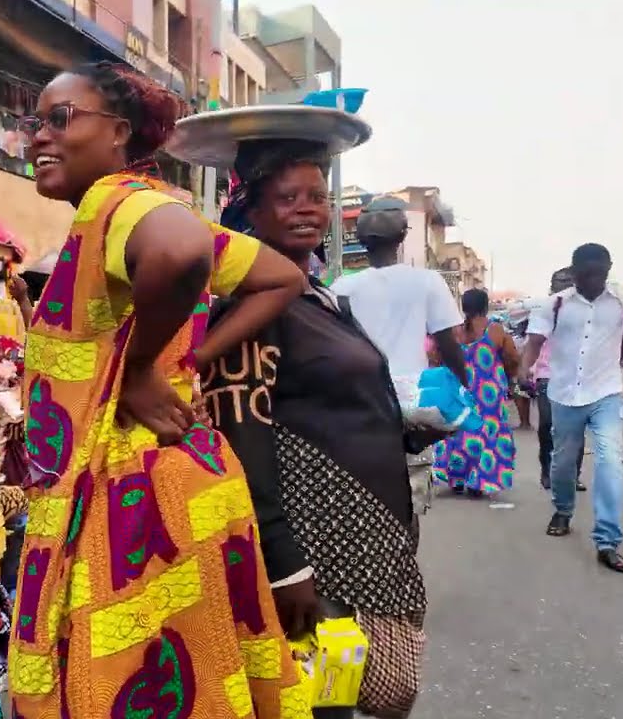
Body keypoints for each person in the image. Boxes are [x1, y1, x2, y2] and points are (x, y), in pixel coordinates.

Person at [9, 61, 308, 718]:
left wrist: (143, 370)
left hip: (131, 497)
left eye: (61, 119)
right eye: (37, 122)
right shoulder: (132, 210)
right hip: (183, 477)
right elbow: (281, 278)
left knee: (120, 690)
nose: (39, 137)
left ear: (118, 133)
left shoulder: (117, 204)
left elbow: (178, 253)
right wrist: (187, 360)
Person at [203, 138, 430, 719]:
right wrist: (285, 567)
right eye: (287, 198)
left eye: (317, 197)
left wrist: (402, 429)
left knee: (351, 693)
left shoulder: (317, 295)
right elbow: (241, 440)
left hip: (364, 533)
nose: (307, 208)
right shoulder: (252, 307)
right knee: (321, 698)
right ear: (250, 211)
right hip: (317, 548)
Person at [521, 243, 623, 573]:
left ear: (609, 269)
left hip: (606, 392)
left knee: (610, 459)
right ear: (574, 273)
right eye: (587, 275)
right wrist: (524, 370)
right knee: (562, 462)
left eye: (600, 274)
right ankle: (563, 509)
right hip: (564, 394)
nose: (594, 281)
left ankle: (607, 541)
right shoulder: (555, 304)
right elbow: (534, 342)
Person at [330, 195, 467, 385]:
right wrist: (464, 384)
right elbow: (449, 345)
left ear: (361, 239)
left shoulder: (340, 288)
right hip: (414, 396)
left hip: (364, 395)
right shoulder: (428, 281)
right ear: (402, 235)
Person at [430, 289, 518, 497]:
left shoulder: (454, 331)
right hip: (489, 392)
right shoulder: (494, 330)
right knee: (487, 432)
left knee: (459, 431)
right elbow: (512, 358)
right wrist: (509, 379)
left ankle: (457, 477)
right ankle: (478, 479)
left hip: (460, 389)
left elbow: (435, 357)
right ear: (485, 306)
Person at [532, 266, 585, 490]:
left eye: (568, 281)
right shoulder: (544, 310)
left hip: (576, 377)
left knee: (576, 429)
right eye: (559, 282)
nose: (564, 286)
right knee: (546, 425)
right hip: (546, 375)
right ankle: (547, 470)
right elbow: (532, 342)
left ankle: (573, 475)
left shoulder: (585, 312)